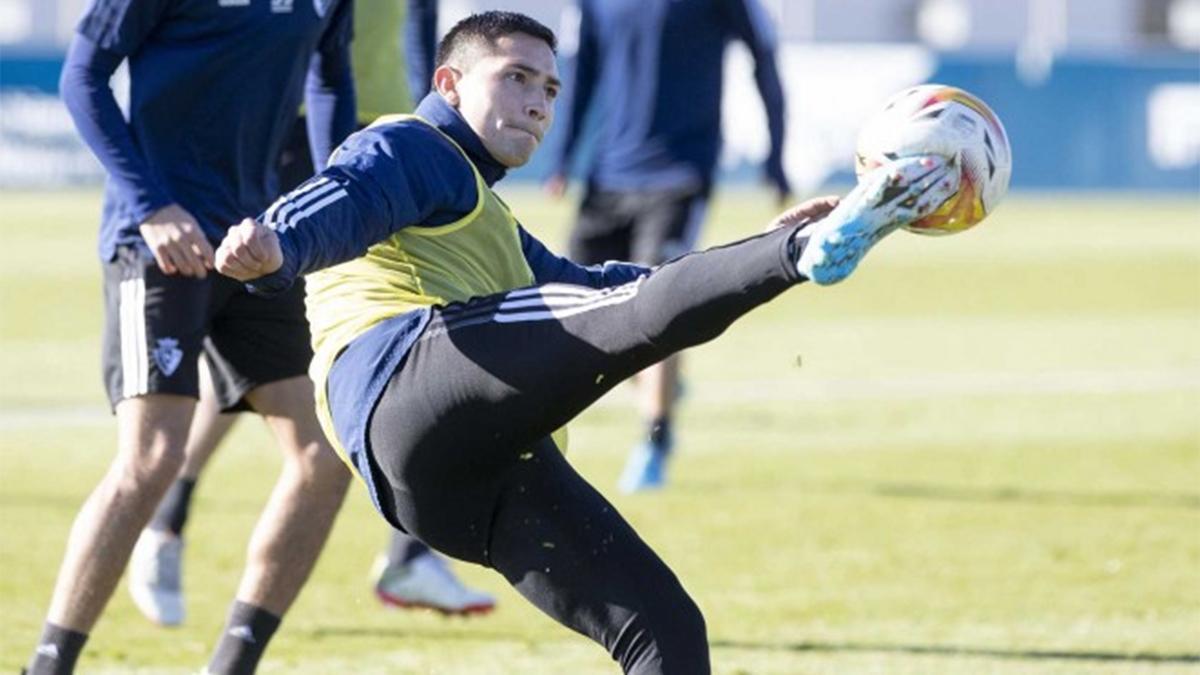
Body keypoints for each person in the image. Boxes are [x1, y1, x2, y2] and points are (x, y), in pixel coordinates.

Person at [215, 11, 958, 673]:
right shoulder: (413, 145)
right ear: (448, 81)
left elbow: (610, 291)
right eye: (515, 78)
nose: (537, 101)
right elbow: (344, 194)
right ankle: (807, 254)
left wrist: (753, 251)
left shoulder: (492, 222)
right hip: (401, 385)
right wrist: (278, 245)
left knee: (666, 630)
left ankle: (792, 254)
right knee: (632, 311)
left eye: (549, 89)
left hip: (452, 485)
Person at [127, 0, 493, 620]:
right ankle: (166, 518)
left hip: (395, 137)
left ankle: (411, 553)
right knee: (272, 355)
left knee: (430, 318)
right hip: (297, 137)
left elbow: (428, 42)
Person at [29, 0, 357, 673]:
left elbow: (328, 76)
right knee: (151, 458)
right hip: (158, 246)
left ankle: (232, 664)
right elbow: (81, 78)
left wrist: (338, 199)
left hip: (252, 242)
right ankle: (48, 664)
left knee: (323, 456)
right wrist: (151, 206)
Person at [546, 0, 791, 492]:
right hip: (607, 175)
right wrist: (564, 156)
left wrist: (775, 156)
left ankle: (655, 441)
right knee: (570, 306)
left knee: (659, 303)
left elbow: (763, 56)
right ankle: (662, 382)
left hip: (679, 176)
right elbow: (583, 68)